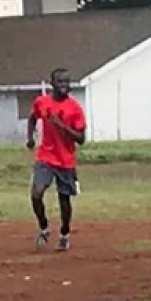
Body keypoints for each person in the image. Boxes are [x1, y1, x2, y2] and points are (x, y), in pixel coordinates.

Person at [26, 68, 86, 252]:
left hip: (66, 160)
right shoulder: (42, 102)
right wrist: (30, 137)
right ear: (52, 84)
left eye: (67, 82)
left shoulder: (74, 108)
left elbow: (81, 139)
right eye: (60, 82)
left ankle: (64, 233)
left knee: (64, 200)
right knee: (36, 193)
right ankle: (44, 228)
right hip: (45, 156)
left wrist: (62, 126)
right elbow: (32, 118)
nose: (64, 86)